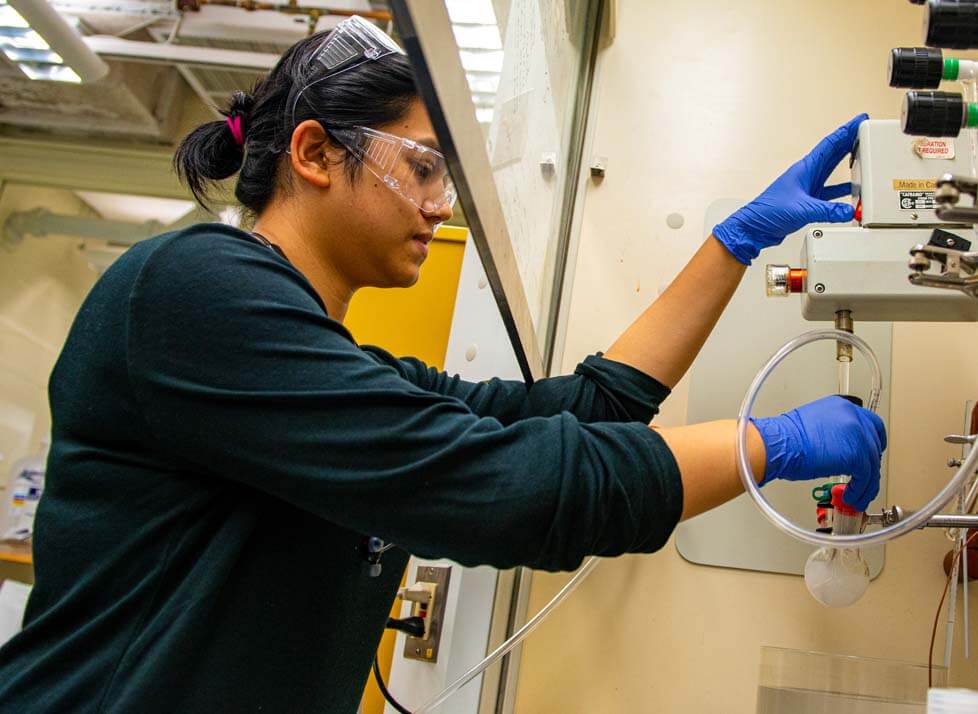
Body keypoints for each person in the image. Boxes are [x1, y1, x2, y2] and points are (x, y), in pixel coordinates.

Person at [0, 16, 885, 714]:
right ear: (312, 153)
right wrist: (773, 444)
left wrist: (733, 245)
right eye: (422, 167)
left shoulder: (324, 365)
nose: (439, 203)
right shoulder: (189, 289)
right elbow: (515, 488)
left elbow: (577, 414)